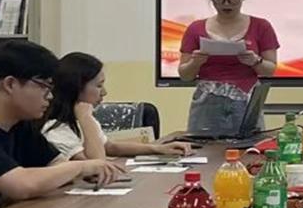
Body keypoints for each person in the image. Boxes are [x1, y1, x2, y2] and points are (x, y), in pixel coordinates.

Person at [0, 40, 126, 201]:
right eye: (44, 86)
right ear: (10, 84)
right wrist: (80, 168)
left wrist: (80, 170)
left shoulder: (18, 123)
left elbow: (56, 165)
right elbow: (22, 185)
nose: (50, 96)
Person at [176, 0, 279, 138]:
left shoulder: (261, 26)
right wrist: (195, 62)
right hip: (207, 103)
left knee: (249, 148)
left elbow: (270, 70)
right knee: (203, 148)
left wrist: (255, 61)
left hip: (246, 101)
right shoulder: (195, 28)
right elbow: (185, 75)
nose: (226, 4)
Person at [40, 51, 191, 160]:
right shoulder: (55, 129)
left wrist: (157, 149)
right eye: (99, 86)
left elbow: (110, 147)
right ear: (76, 88)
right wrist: (86, 119)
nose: (104, 92)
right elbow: (97, 165)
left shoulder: (80, 119)